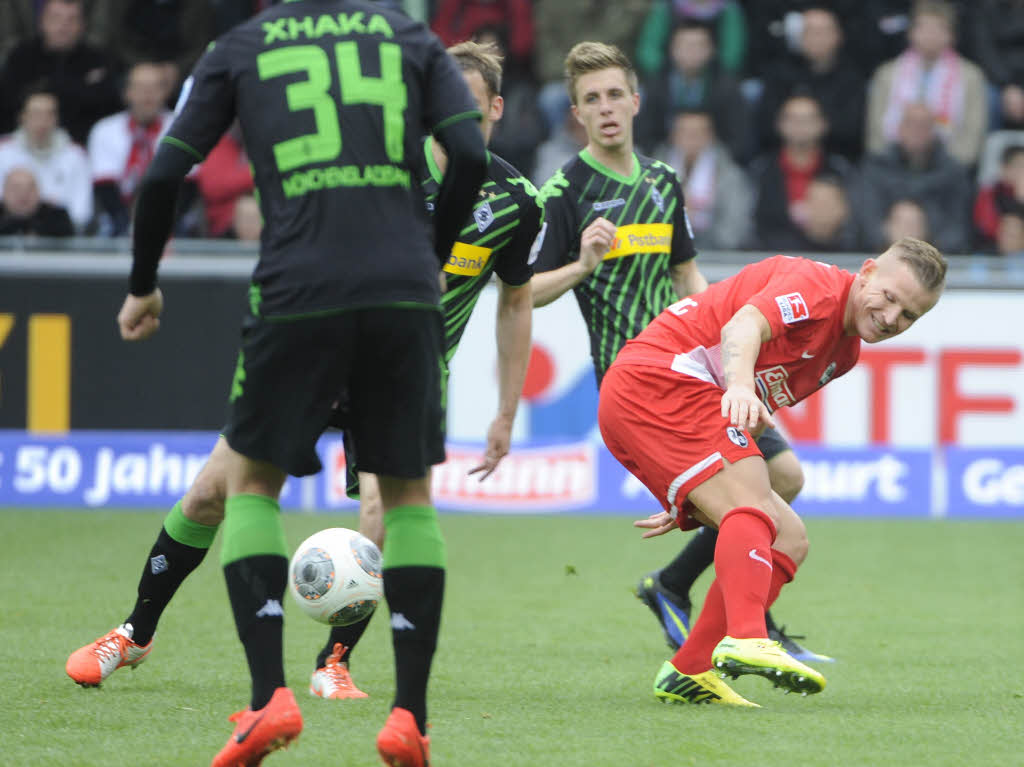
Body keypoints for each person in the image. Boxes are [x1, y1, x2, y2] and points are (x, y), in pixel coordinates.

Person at [67, 3, 488, 767]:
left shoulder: (242, 46)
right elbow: (469, 153)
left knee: (250, 488)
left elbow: (164, 171)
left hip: (298, 288)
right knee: (409, 500)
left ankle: (268, 701)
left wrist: (143, 284)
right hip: (401, 292)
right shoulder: (408, 36)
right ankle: (409, 719)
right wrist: (428, 256)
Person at [530, 41, 824, 663]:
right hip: (638, 382)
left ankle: (682, 589)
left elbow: (689, 278)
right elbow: (524, 292)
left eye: (614, 95)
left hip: (697, 370)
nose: (605, 108)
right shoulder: (565, 190)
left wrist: (734, 362)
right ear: (577, 115)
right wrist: (582, 264)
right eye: (591, 100)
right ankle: (743, 629)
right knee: (749, 500)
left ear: (636, 102)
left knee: (785, 479)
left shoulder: (664, 182)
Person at [599, 237, 946, 706]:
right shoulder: (818, 288)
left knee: (789, 537)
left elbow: (750, 415)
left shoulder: (844, 354)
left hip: (673, 399)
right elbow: (743, 325)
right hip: (660, 379)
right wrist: (740, 386)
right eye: (888, 298)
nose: (891, 318)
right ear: (866, 273)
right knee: (752, 501)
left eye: (908, 316)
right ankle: (746, 637)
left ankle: (690, 670)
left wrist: (693, 489)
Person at [309, 38, 537, 703]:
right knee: (223, 487)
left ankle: (334, 660)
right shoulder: (384, 169)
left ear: (496, 108)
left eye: (470, 106)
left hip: (408, 377)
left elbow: (516, 301)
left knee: (381, 508)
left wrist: (504, 410)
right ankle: (137, 627)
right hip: (330, 351)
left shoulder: (516, 200)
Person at [865, 0, 988, 167]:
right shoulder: (886, 74)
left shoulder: (971, 76)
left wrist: (948, 166)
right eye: (923, 28)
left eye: (939, 28)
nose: (930, 35)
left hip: (948, 169)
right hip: (892, 165)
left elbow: (971, 137)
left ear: (952, 36)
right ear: (910, 33)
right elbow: (876, 136)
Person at [0, 85, 93, 231]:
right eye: (36, 114)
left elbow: (81, 212)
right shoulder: (3, 151)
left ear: (57, 119)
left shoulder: (75, 155)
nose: (42, 122)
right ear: (22, 117)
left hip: (59, 236)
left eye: (49, 115)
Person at [0, 166, 73, 235]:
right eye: (16, 188)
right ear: (4, 192)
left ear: (39, 192)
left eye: (30, 189)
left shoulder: (57, 217)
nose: (23, 194)